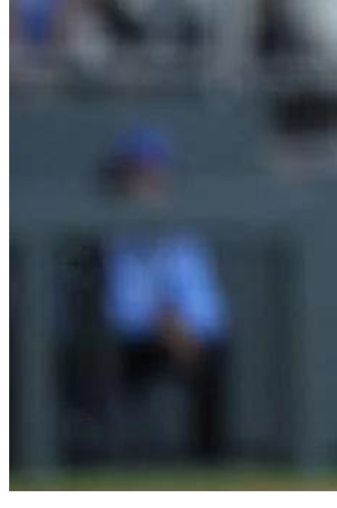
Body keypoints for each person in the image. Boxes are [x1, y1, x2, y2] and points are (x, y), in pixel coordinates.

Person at [100, 127, 232, 461]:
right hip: (132, 340)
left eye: (154, 172)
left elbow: (206, 304)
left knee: (212, 355)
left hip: (187, 339)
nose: (147, 182)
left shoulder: (183, 231)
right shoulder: (109, 232)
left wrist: (185, 328)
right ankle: (117, 460)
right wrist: (161, 323)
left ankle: (212, 466)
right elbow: (120, 305)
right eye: (138, 173)